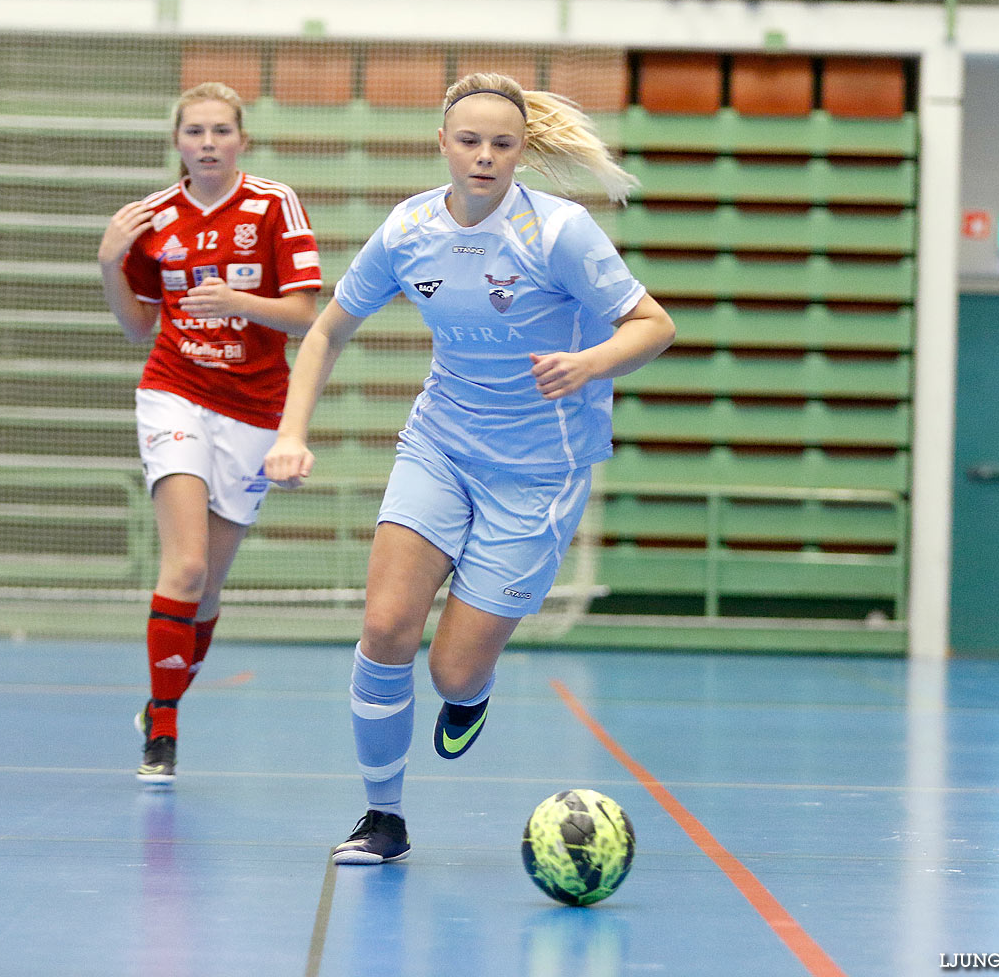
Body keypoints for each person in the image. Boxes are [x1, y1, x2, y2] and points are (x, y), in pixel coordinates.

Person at [263, 73, 677, 863]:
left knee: (452, 671)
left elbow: (653, 326)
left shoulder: (560, 232)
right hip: (441, 445)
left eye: (503, 143)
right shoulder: (408, 227)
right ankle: (383, 819)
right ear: (442, 144)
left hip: (539, 471)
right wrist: (291, 432)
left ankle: (470, 692)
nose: (485, 157)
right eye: (469, 141)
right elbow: (323, 333)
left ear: (521, 150)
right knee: (385, 626)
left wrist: (589, 363)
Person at [97, 82, 322, 785]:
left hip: (255, 409)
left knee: (211, 586)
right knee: (185, 566)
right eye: (195, 131)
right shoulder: (152, 217)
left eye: (221, 130)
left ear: (241, 140)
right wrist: (110, 263)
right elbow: (139, 327)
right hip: (176, 393)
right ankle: (162, 731)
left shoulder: (274, 204)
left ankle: (160, 701)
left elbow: (306, 316)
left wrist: (236, 302)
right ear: (178, 141)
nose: (207, 143)